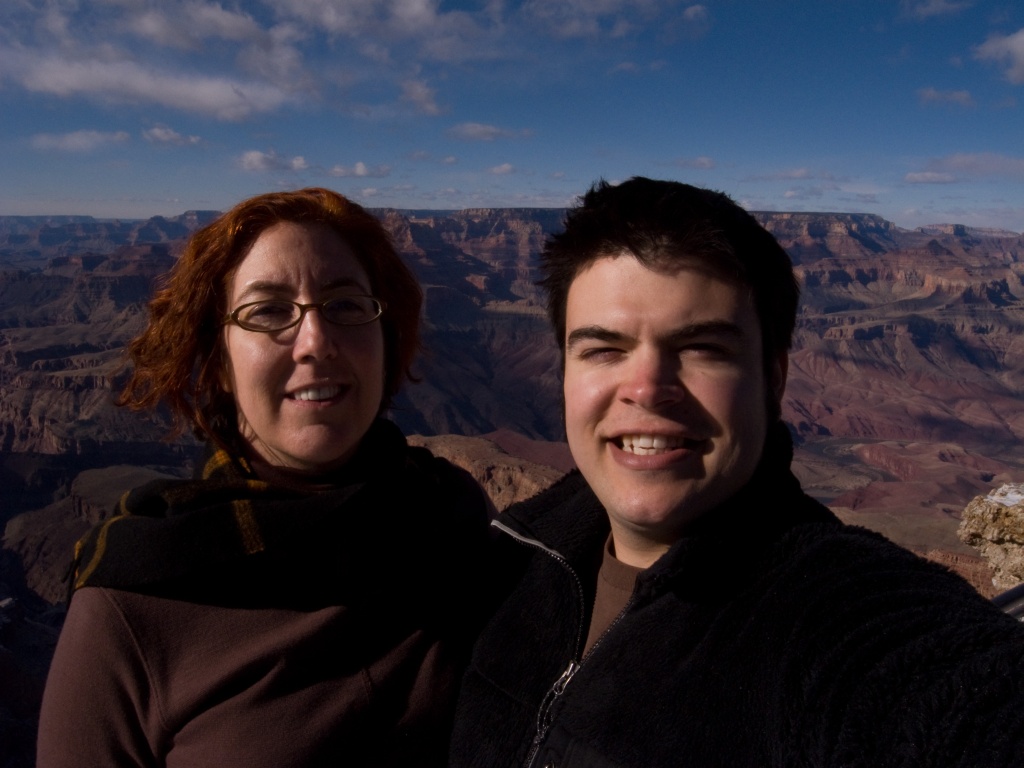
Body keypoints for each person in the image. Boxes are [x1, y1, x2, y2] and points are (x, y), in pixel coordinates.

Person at [450, 177, 1024, 767]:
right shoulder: (515, 553)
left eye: (703, 348)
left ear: (773, 377)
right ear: (565, 372)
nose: (647, 389)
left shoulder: (829, 616)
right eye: (603, 349)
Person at [37, 188, 489, 767]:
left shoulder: (453, 521)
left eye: (346, 305)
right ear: (220, 362)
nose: (316, 342)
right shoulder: (132, 605)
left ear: (386, 335)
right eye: (268, 310)